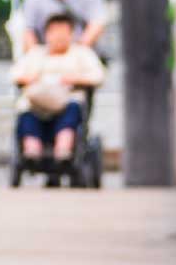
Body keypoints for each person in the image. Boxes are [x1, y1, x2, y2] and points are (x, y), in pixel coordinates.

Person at [10, 13, 106, 164]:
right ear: (47, 34)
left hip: (68, 101)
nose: (59, 37)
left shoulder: (82, 54)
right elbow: (15, 74)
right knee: (26, 115)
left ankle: (64, 150)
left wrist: (75, 79)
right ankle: (31, 151)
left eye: (64, 32)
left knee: (72, 112)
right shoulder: (36, 54)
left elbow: (98, 76)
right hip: (37, 104)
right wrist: (31, 79)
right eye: (55, 32)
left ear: (71, 34)